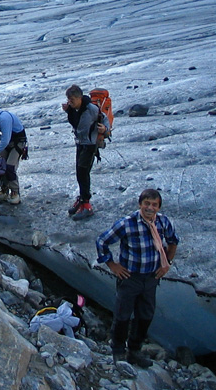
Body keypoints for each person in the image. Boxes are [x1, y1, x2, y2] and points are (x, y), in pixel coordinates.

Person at [95, 188, 180, 367]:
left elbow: (173, 241)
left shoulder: (163, 222)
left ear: (159, 207)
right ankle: (118, 351)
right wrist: (112, 265)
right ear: (140, 204)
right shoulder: (127, 224)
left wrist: (167, 264)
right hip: (130, 277)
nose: (150, 208)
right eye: (146, 203)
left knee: (145, 315)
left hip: (150, 278)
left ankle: (134, 350)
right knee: (122, 315)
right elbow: (102, 241)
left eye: (154, 205)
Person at [62, 84, 110, 220]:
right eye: (68, 100)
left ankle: (86, 204)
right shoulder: (75, 109)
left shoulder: (91, 109)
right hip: (80, 144)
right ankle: (82, 199)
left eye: (72, 100)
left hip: (90, 145)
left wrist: (105, 130)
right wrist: (68, 110)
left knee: (83, 173)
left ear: (79, 98)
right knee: (80, 172)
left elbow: (105, 119)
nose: (69, 103)